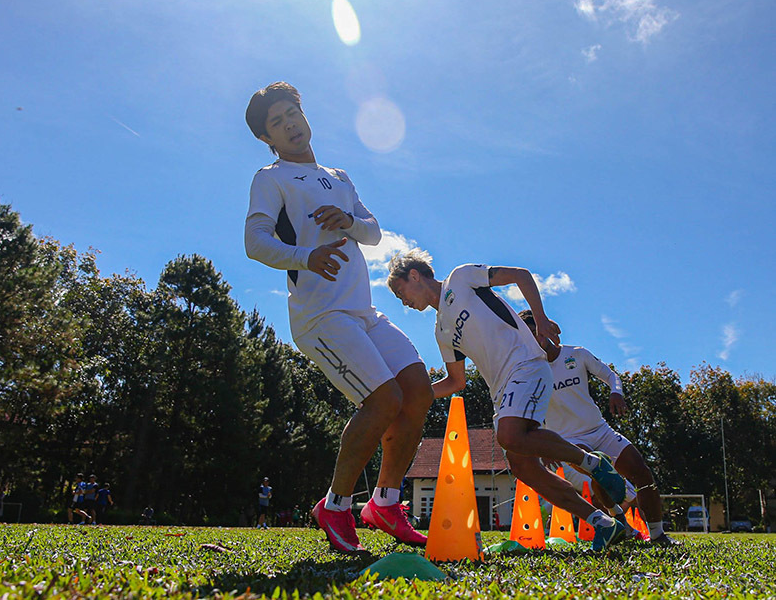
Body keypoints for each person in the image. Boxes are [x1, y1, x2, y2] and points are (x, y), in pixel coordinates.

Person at [244, 83, 433, 553]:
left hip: (362, 312)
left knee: (418, 392)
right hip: (320, 316)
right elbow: (255, 242)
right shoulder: (271, 178)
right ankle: (335, 506)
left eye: (292, 113)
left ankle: (385, 504)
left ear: (304, 115)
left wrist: (347, 222)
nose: (289, 125)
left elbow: (372, 231)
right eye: (277, 122)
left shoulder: (339, 176)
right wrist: (306, 256)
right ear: (268, 138)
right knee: (384, 399)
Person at [387, 250, 629, 551]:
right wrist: (412, 396)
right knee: (523, 467)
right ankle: (602, 523)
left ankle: (593, 462)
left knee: (509, 435)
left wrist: (539, 320)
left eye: (400, 292)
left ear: (414, 275)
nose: (403, 301)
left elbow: (521, 275)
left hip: (527, 365)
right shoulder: (441, 331)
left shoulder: (460, 278)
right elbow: (456, 382)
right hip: (501, 391)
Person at [517, 310, 678, 545]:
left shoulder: (577, 355)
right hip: (567, 440)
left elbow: (611, 375)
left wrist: (616, 392)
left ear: (545, 330)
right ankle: (618, 520)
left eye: (535, 333)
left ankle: (657, 535)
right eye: (527, 336)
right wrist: (542, 447)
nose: (533, 340)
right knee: (597, 468)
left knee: (641, 471)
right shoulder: (531, 371)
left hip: (601, 431)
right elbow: (529, 412)